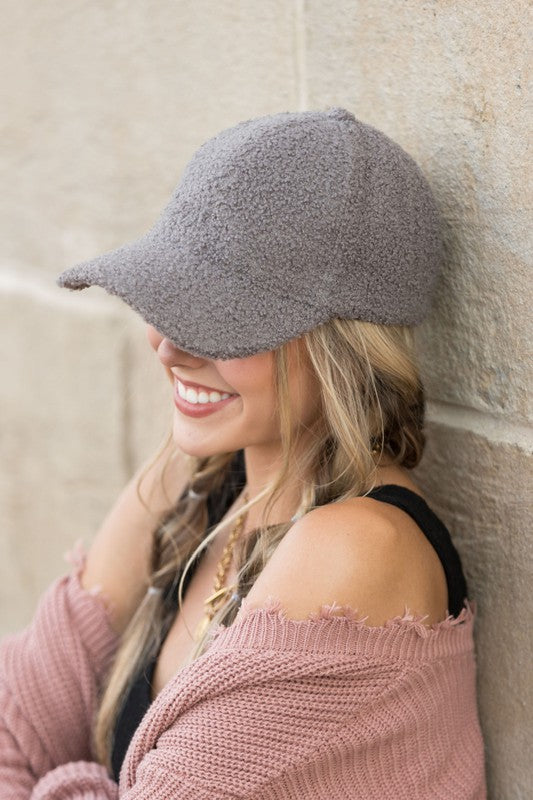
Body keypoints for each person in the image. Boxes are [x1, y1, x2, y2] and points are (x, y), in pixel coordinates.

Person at [0, 107, 487, 798]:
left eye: (219, 318)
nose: (168, 347)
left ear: (343, 345)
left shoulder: (357, 548)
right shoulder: (197, 486)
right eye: (169, 300)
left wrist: (60, 779)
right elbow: (12, 726)